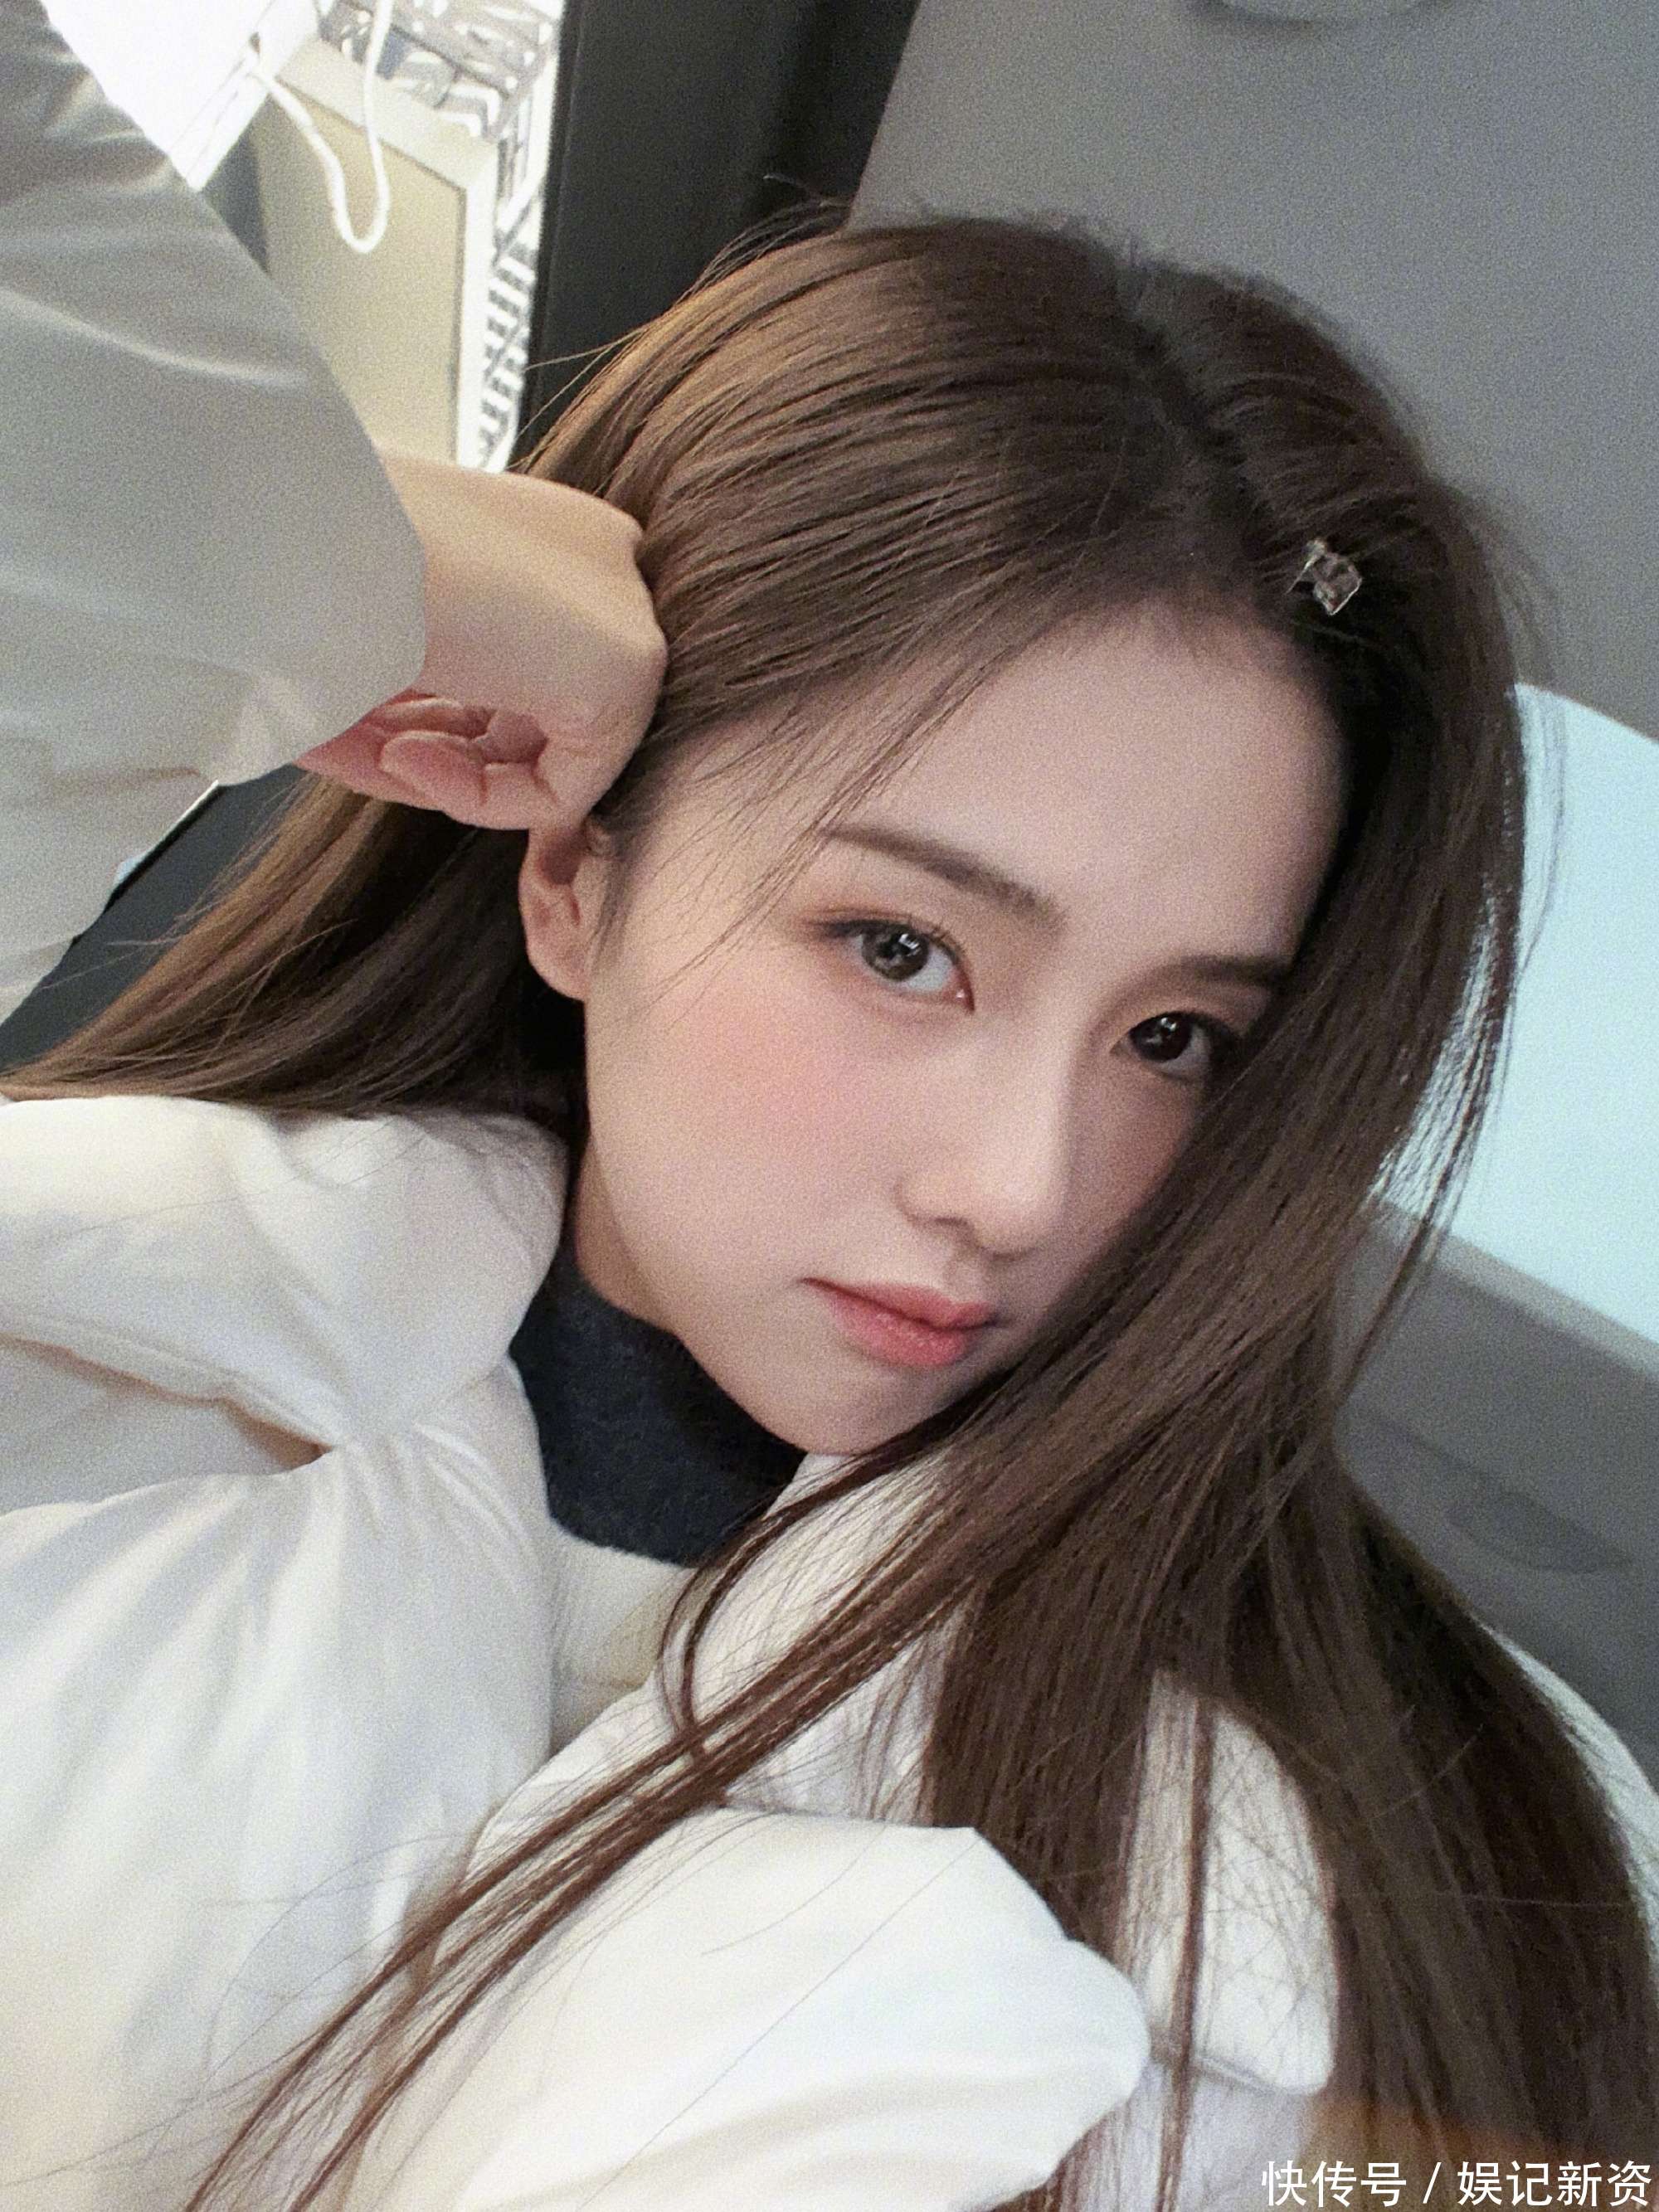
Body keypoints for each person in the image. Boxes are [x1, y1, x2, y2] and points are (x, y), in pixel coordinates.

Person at [2, 7, 1655, 2212]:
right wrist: (291, 553)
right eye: (901, 947)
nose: (1022, 1187)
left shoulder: (1467, 1843)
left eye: (1179, 1038)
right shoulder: (64, 1379)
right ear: (572, 872)